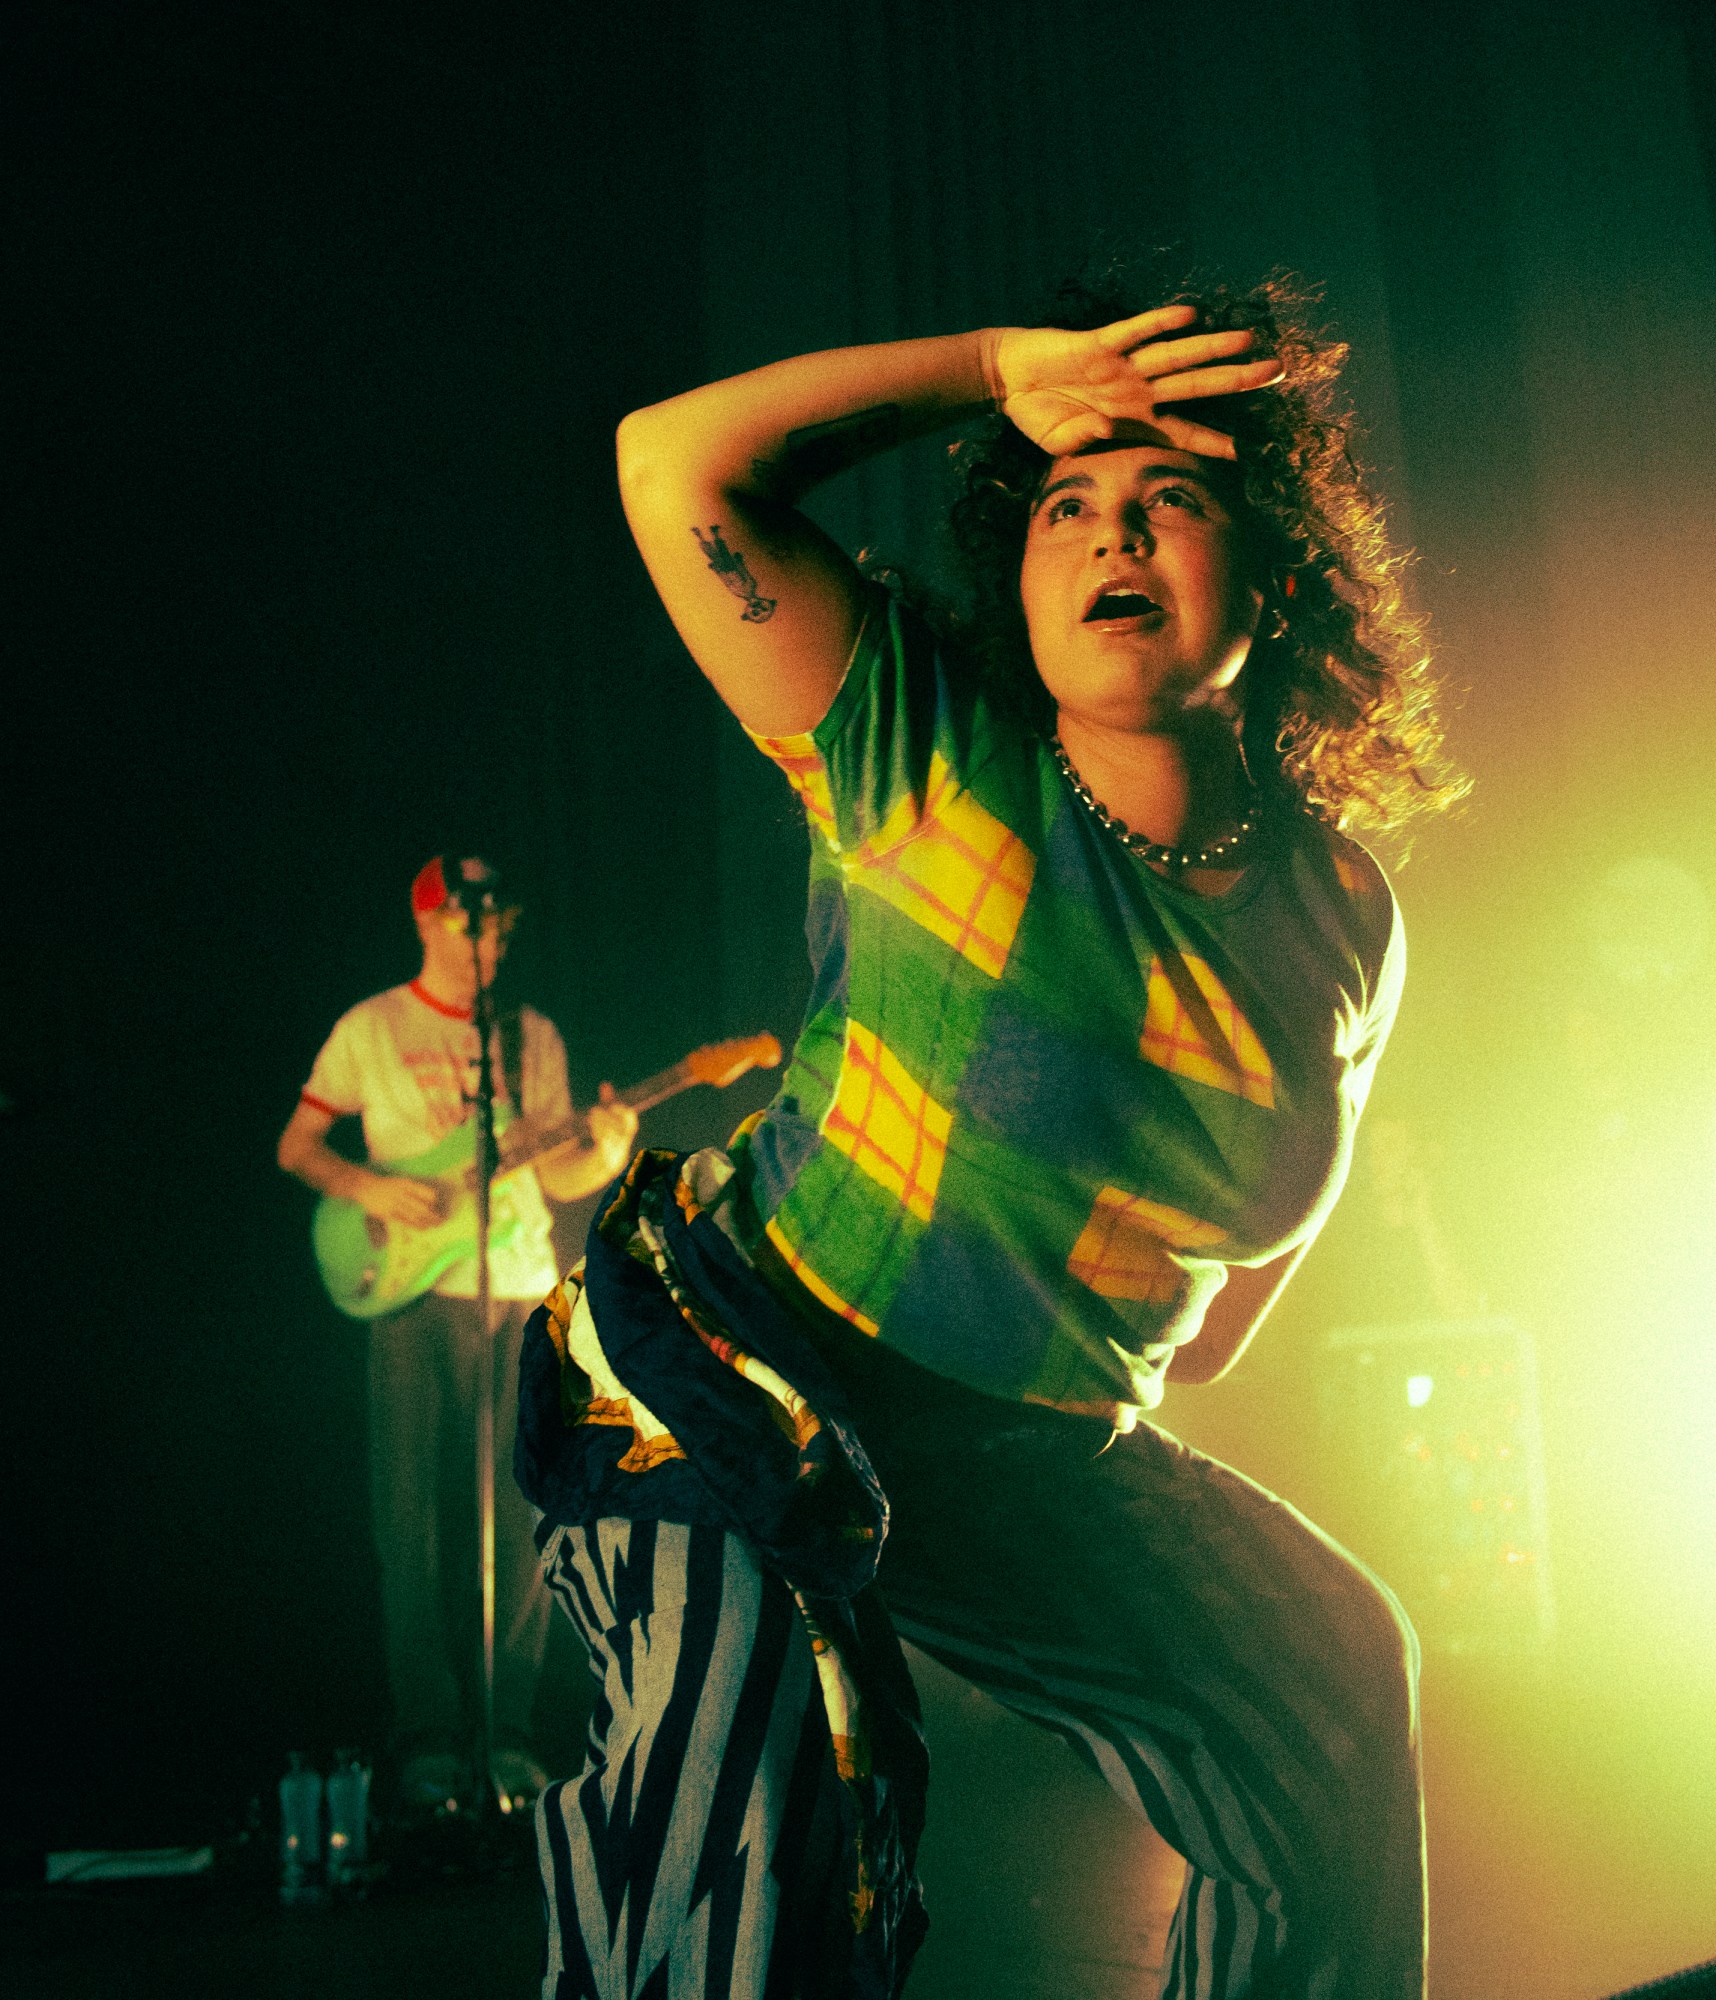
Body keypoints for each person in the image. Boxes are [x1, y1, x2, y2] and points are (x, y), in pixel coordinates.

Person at [521, 278, 1462, 1999]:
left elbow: (1230, 1299)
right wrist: (990, 371)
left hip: (1032, 1450)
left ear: (1276, 579)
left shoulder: (1341, 910)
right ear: (1018, 583)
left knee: (1330, 1683)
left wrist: (1064, 1351)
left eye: (1171, 500)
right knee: (761, 1809)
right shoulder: (917, 739)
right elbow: (675, 466)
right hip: (744, 1370)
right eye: (1067, 506)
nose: (1116, 533)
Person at [277, 854, 638, 1811]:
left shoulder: (531, 1036)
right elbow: (297, 1145)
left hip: (515, 1286)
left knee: (523, 1516)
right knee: (408, 1518)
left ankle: (507, 1733)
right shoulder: (373, 1026)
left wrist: (604, 1155)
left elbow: (556, 1172)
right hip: (408, 1289)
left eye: (502, 929)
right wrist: (367, 1186)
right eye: (473, 926)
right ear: (429, 923)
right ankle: (428, 1737)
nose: (491, 945)